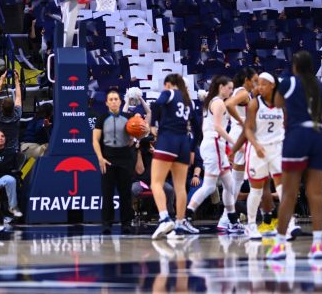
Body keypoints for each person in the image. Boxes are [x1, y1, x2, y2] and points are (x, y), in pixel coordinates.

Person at [267, 51, 322, 261]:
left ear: (295, 66)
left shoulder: (288, 83)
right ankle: (317, 246)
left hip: (297, 136)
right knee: (315, 194)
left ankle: (279, 245)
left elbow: (276, 104)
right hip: (319, 137)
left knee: (288, 193)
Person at [186, 76, 242, 233]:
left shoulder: (211, 102)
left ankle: (232, 221)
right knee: (210, 187)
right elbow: (217, 127)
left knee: (230, 185)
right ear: (221, 87)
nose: (231, 91)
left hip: (214, 145)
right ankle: (186, 217)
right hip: (215, 145)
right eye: (229, 88)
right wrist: (234, 143)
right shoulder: (217, 102)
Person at [235, 72, 284, 240]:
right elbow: (247, 129)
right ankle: (251, 225)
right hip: (258, 149)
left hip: (276, 149)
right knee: (256, 190)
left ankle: (288, 223)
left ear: (272, 85)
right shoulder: (255, 104)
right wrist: (255, 145)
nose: (260, 87)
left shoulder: (281, 103)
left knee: (283, 187)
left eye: (263, 84)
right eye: (258, 84)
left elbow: (287, 125)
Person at [150, 73, 197, 239]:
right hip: (184, 143)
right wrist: (191, 150)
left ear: (168, 84)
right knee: (180, 187)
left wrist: (152, 125)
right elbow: (197, 129)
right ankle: (179, 226)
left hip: (168, 139)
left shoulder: (169, 93)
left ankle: (164, 218)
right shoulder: (189, 101)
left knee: (156, 182)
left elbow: (156, 105)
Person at [92, 89, 140, 231]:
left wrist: (135, 137)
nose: (113, 101)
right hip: (108, 160)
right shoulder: (102, 118)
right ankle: (107, 224)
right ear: (106, 103)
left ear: (120, 101)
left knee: (125, 194)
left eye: (116, 99)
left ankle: (126, 223)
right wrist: (100, 158)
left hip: (125, 160)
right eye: (110, 99)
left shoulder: (128, 117)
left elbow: (133, 140)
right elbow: (95, 140)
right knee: (107, 194)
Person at [226, 68, 257, 211]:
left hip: (239, 134)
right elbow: (229, 104)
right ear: (247, 80)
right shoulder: (243, 92)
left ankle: (228, 217)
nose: (256, 83)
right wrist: (242, 121)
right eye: (254, 80)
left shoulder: (241, 92)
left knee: (238, 178)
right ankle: (227, 217)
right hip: (241, 135)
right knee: (252, 176)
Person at [0, 67, 22, 154]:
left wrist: (1, 80)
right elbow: (19, 97)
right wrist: (16, 80)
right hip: (13, 151)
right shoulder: (17, 115)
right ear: (14, 107)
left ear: (1, 106)